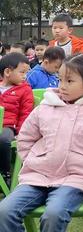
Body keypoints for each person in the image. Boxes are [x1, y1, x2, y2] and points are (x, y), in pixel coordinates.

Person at [0, 54, 83, 232]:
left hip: (77, 180)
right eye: (60, 80)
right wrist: (33, 158)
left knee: (53, 214)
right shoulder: (46, 106)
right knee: (4, 211)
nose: (62, 86)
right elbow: (26, 137)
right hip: (37, 177)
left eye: (69, 81)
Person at [0, 53, 33, 186]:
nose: (25, 76)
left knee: (3, 140)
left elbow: (26, 113)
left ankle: (5, 173)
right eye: (22, 72)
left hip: (8, 126)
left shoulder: (25, 90)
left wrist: (21, 132)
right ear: (8, 71)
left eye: (26, 72)